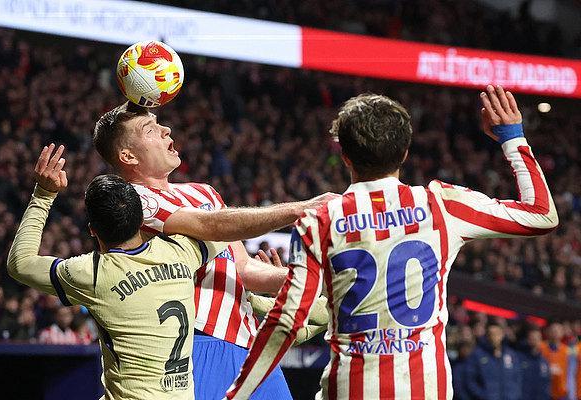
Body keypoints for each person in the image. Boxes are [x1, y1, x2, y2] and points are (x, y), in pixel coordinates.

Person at [225, 85, 559, 399]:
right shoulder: (441, 205)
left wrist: (236, 394)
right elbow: (542, 214)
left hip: (351, 388)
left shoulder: (318, 220)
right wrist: (512, 137)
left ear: (345, 156)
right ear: (405, 153)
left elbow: (286, 321)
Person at [93, 101, 333, 399]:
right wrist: (302, 209)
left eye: (159, 124)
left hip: (248, 344)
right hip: (193, 344)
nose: (166, 129)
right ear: (128, 156)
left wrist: (313, 277)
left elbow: (243, 268)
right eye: (150, 130)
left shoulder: (203, 192)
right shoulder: (134, 202)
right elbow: (211, 226)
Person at [7, 144, 231, 399]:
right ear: (141, 221)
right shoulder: (181, 251)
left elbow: (20, 263)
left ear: (92, 231)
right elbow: (224, 229)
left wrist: (43, 194)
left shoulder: (92, 273)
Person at [465, 321, 522, 399]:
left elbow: (518, 379)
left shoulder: (511, 355)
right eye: (491, 334)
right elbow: (470, 380)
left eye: (497, 334)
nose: (494, 337)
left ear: (502, 335)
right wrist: (483, 395)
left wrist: (514, 395)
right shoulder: (477, 355)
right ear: (487, 336)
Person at [540, 321, 569, 399]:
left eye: (558, 330)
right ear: (547, 332)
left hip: (561, 393)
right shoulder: (540, 347)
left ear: (562, 332)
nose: (555, 332)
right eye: (552, 330)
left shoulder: (567, 350)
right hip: (544, 391)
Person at [520, 326, 551, 400]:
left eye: (537, 338)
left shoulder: (544, 362)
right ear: (528, 340)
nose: (535, 341)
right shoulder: (519, 359)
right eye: (532, 338)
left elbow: (546, 385)